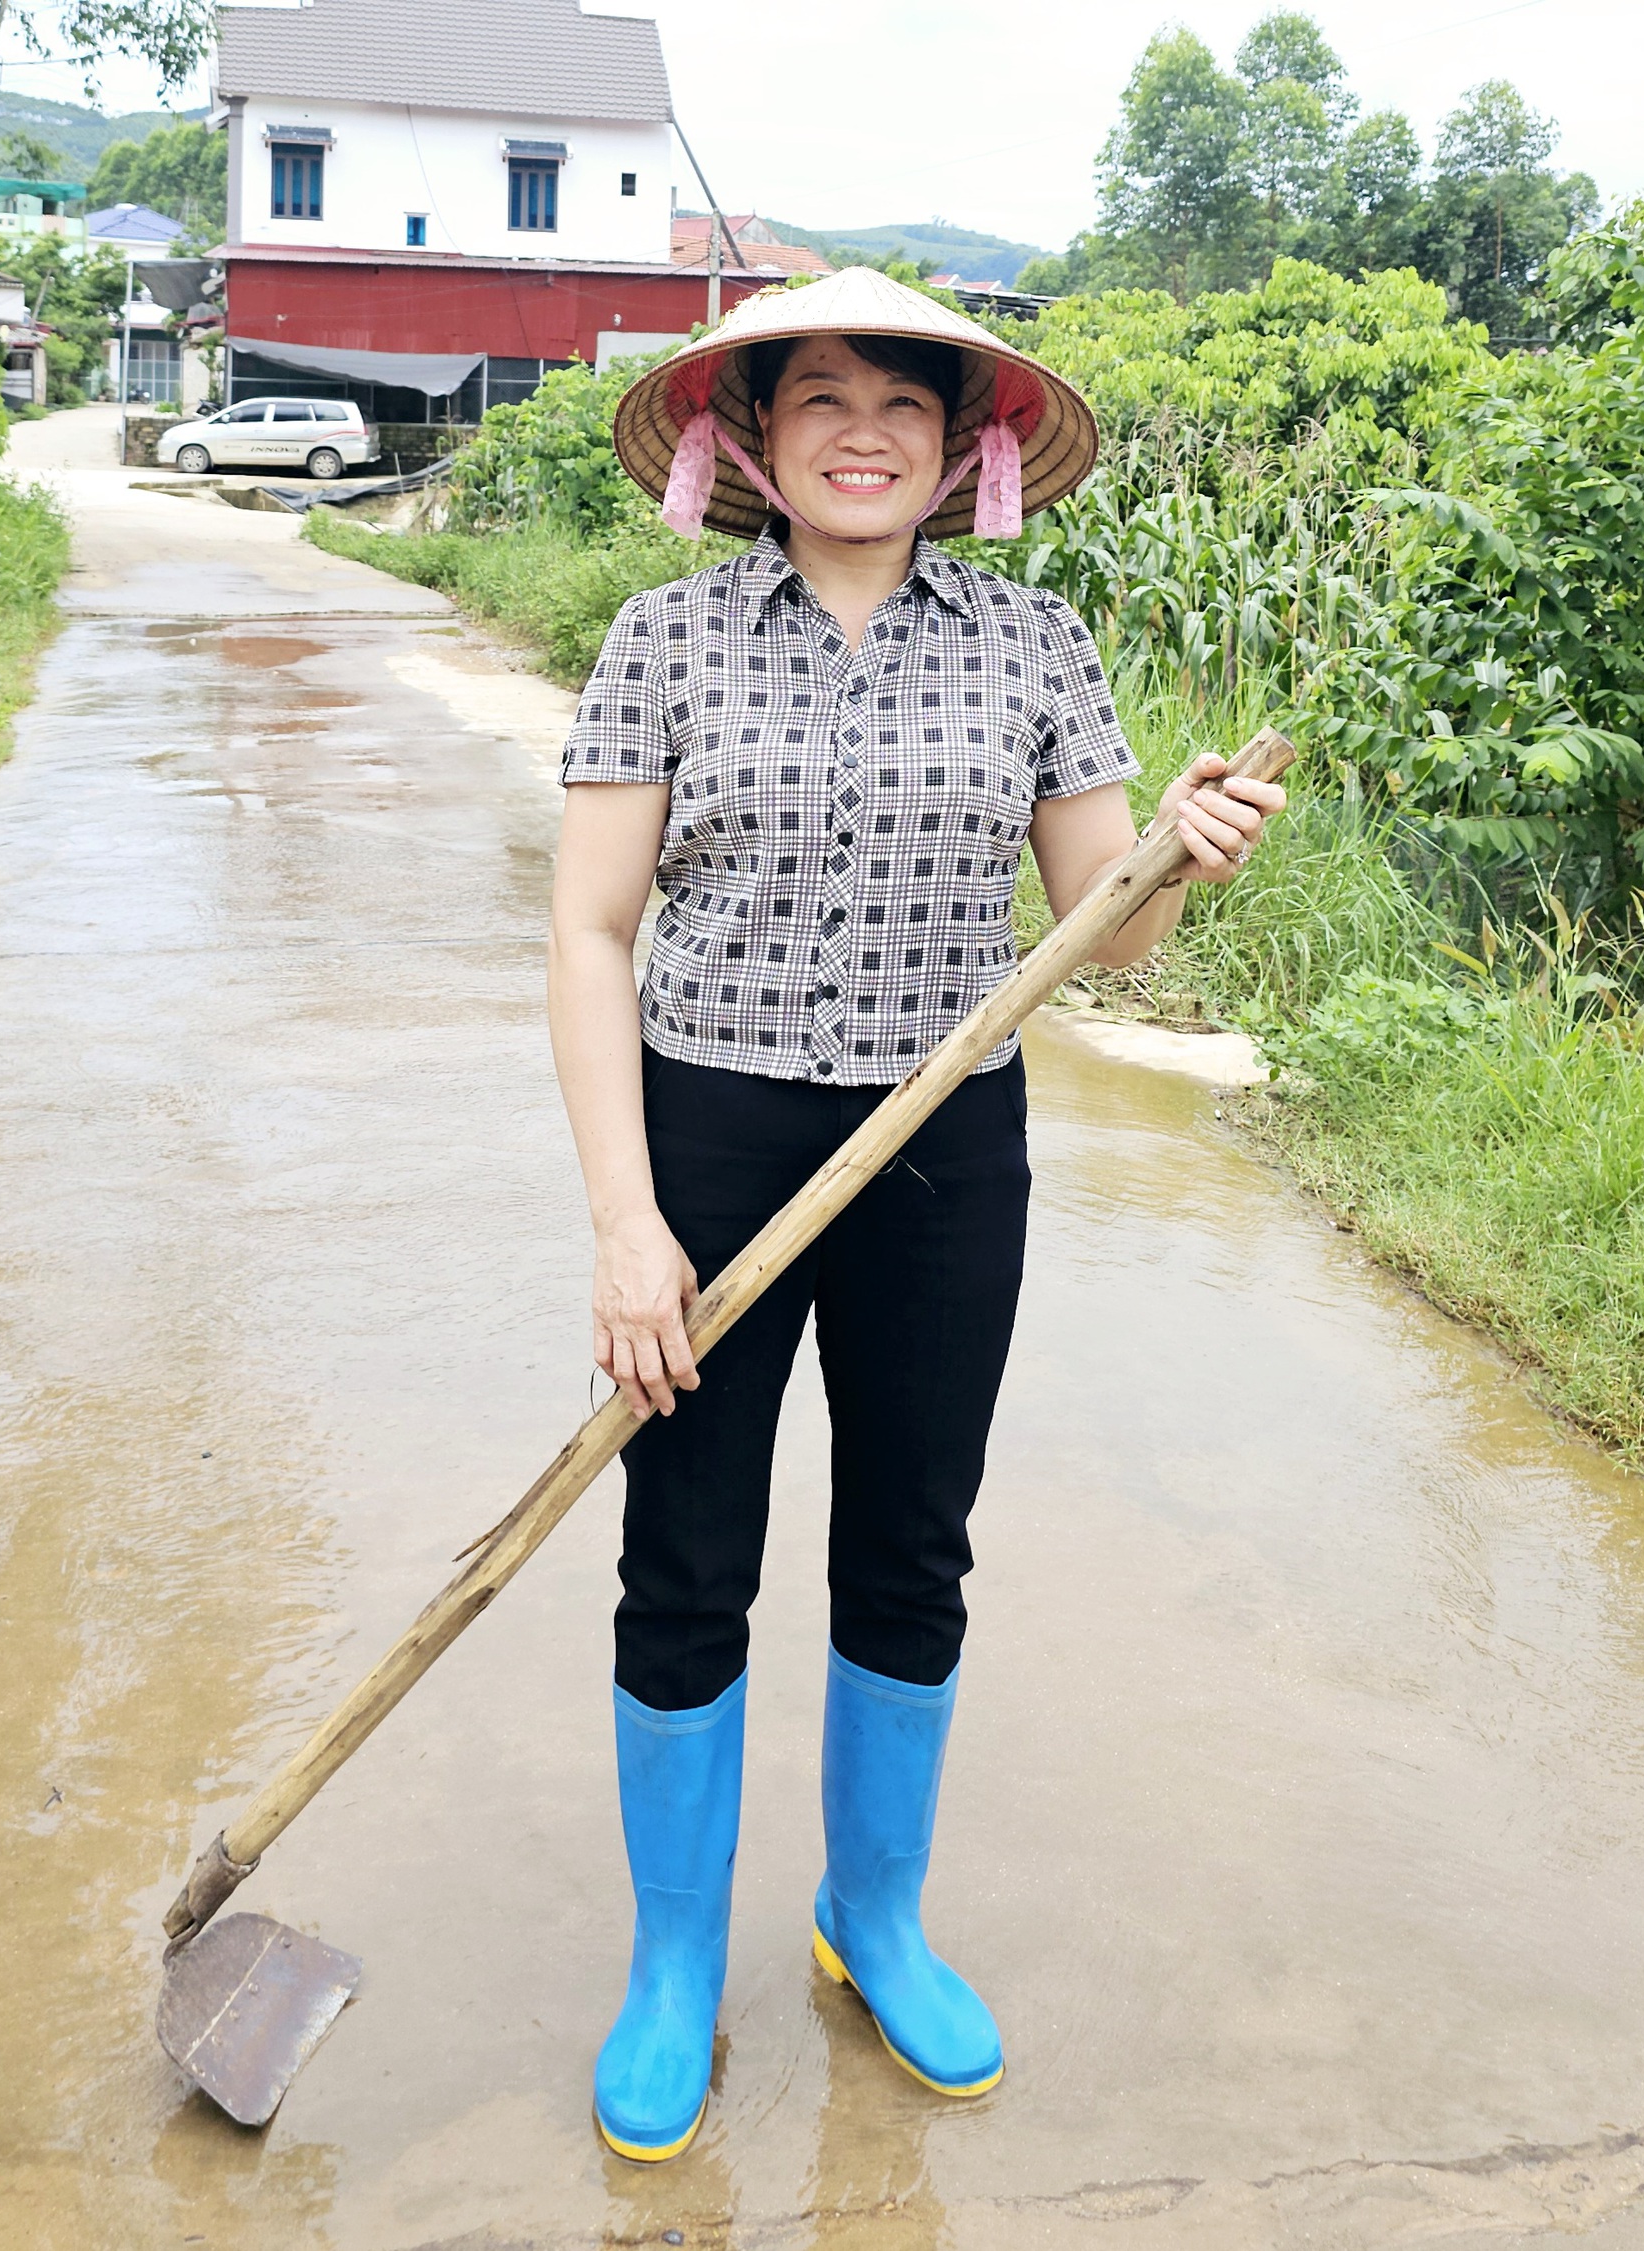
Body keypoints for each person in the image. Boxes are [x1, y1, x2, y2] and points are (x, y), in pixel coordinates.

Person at [547, 266, 1284, 2162]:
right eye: (820, 400)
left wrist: (1168, 856)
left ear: (966, 449)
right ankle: (672, 1970)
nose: (863, 432)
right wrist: (631, 1225)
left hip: (944, 1145)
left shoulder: (1036, 647)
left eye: (905, 403)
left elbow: (1099, 926)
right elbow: (589, 930)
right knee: (687, 1555)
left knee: (908, 1548)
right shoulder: (666, 638)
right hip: (712, 1137)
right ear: (753, 443)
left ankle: (870, 1919)